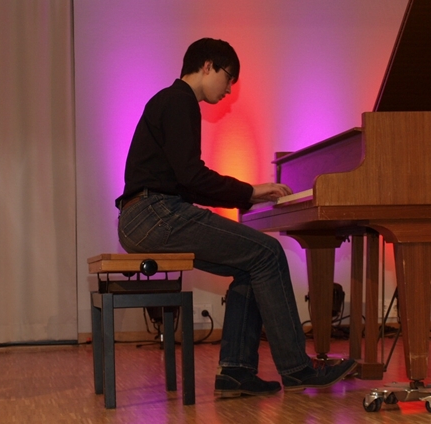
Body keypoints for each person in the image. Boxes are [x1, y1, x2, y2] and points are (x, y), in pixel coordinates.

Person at [115, 37, 357, 397]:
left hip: (145, 216)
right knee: (269, 253)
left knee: (251, 266)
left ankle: (236, 372)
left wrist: (247, 196)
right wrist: (249, 192)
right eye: (229, 77)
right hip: (154, 214)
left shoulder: (170, 101)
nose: (229, 89)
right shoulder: (180, 100)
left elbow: (186, 183)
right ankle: (298, 369)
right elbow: (192, 177)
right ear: (207, 66)